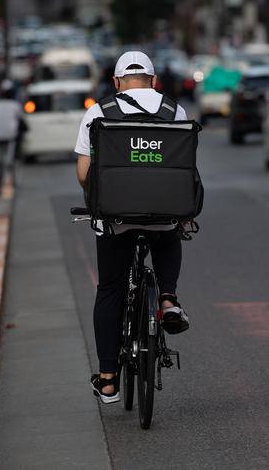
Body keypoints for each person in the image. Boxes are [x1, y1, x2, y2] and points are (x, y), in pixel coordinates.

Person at [74, 51, 190, 404]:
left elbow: (84, 173)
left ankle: (109, 379)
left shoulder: (99, 112)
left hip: (116, 218)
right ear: (154, 81)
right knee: (169, 231)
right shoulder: (173, 111)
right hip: (163, 213)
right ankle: (167, 298)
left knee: (110, 289)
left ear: (116, 82)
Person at [0, 80, 22, 188]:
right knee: (10, 159)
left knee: (0, 159)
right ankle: (11, 181)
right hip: (10, 134)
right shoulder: (15, 105)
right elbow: (20, 117)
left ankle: (0, 180)